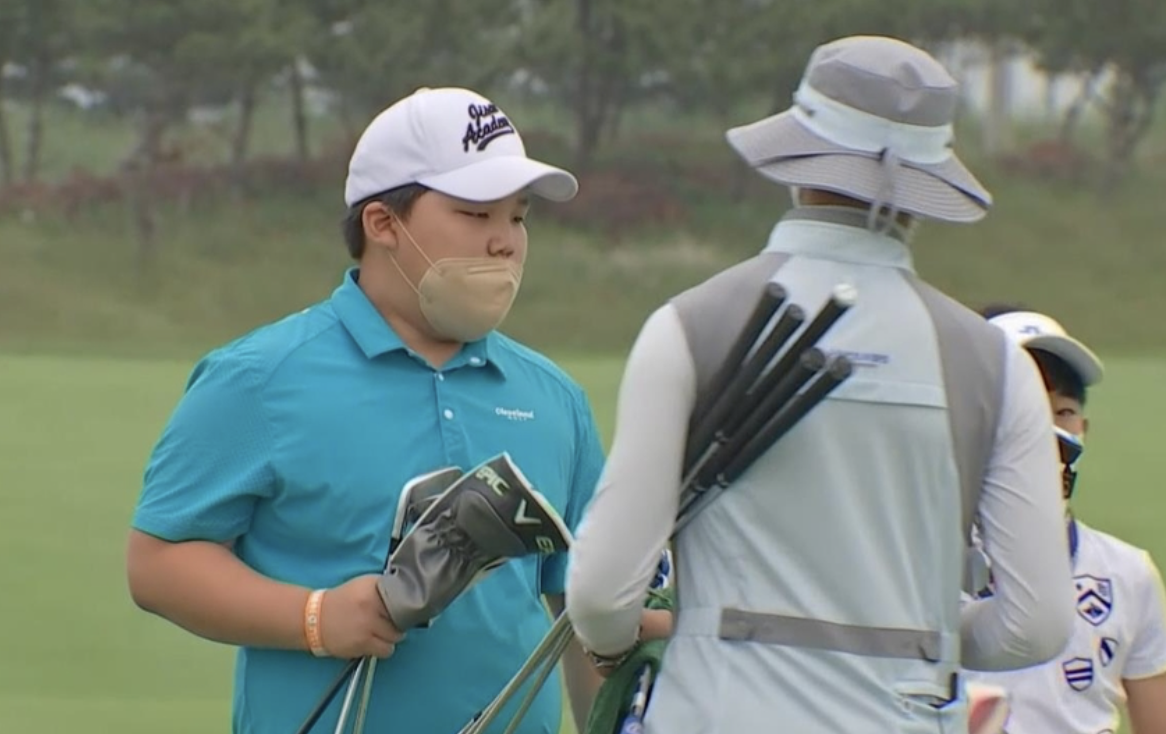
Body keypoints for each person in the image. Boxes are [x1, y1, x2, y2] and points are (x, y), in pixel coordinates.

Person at [563, 35, 1076, 733]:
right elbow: (1036, 624)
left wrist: (633, 638)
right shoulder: (995, 363)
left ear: (800, 159)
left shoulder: (689, 325)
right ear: (926, 181)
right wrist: (915, 630)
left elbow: (600, 595)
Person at [124, 86, 648, 734]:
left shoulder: (554, 399)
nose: (505, 242)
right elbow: (158, 564)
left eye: (518, 217)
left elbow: (586, 612)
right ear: (382, 224)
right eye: (475, 213)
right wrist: (315, 618)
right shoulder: (259, 378)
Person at [963, 306, 1166, 734]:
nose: (1045, 430)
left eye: (1063, 411)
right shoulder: (920, 566)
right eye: (1024, 406)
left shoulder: (1127, 573)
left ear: (1084, 428)